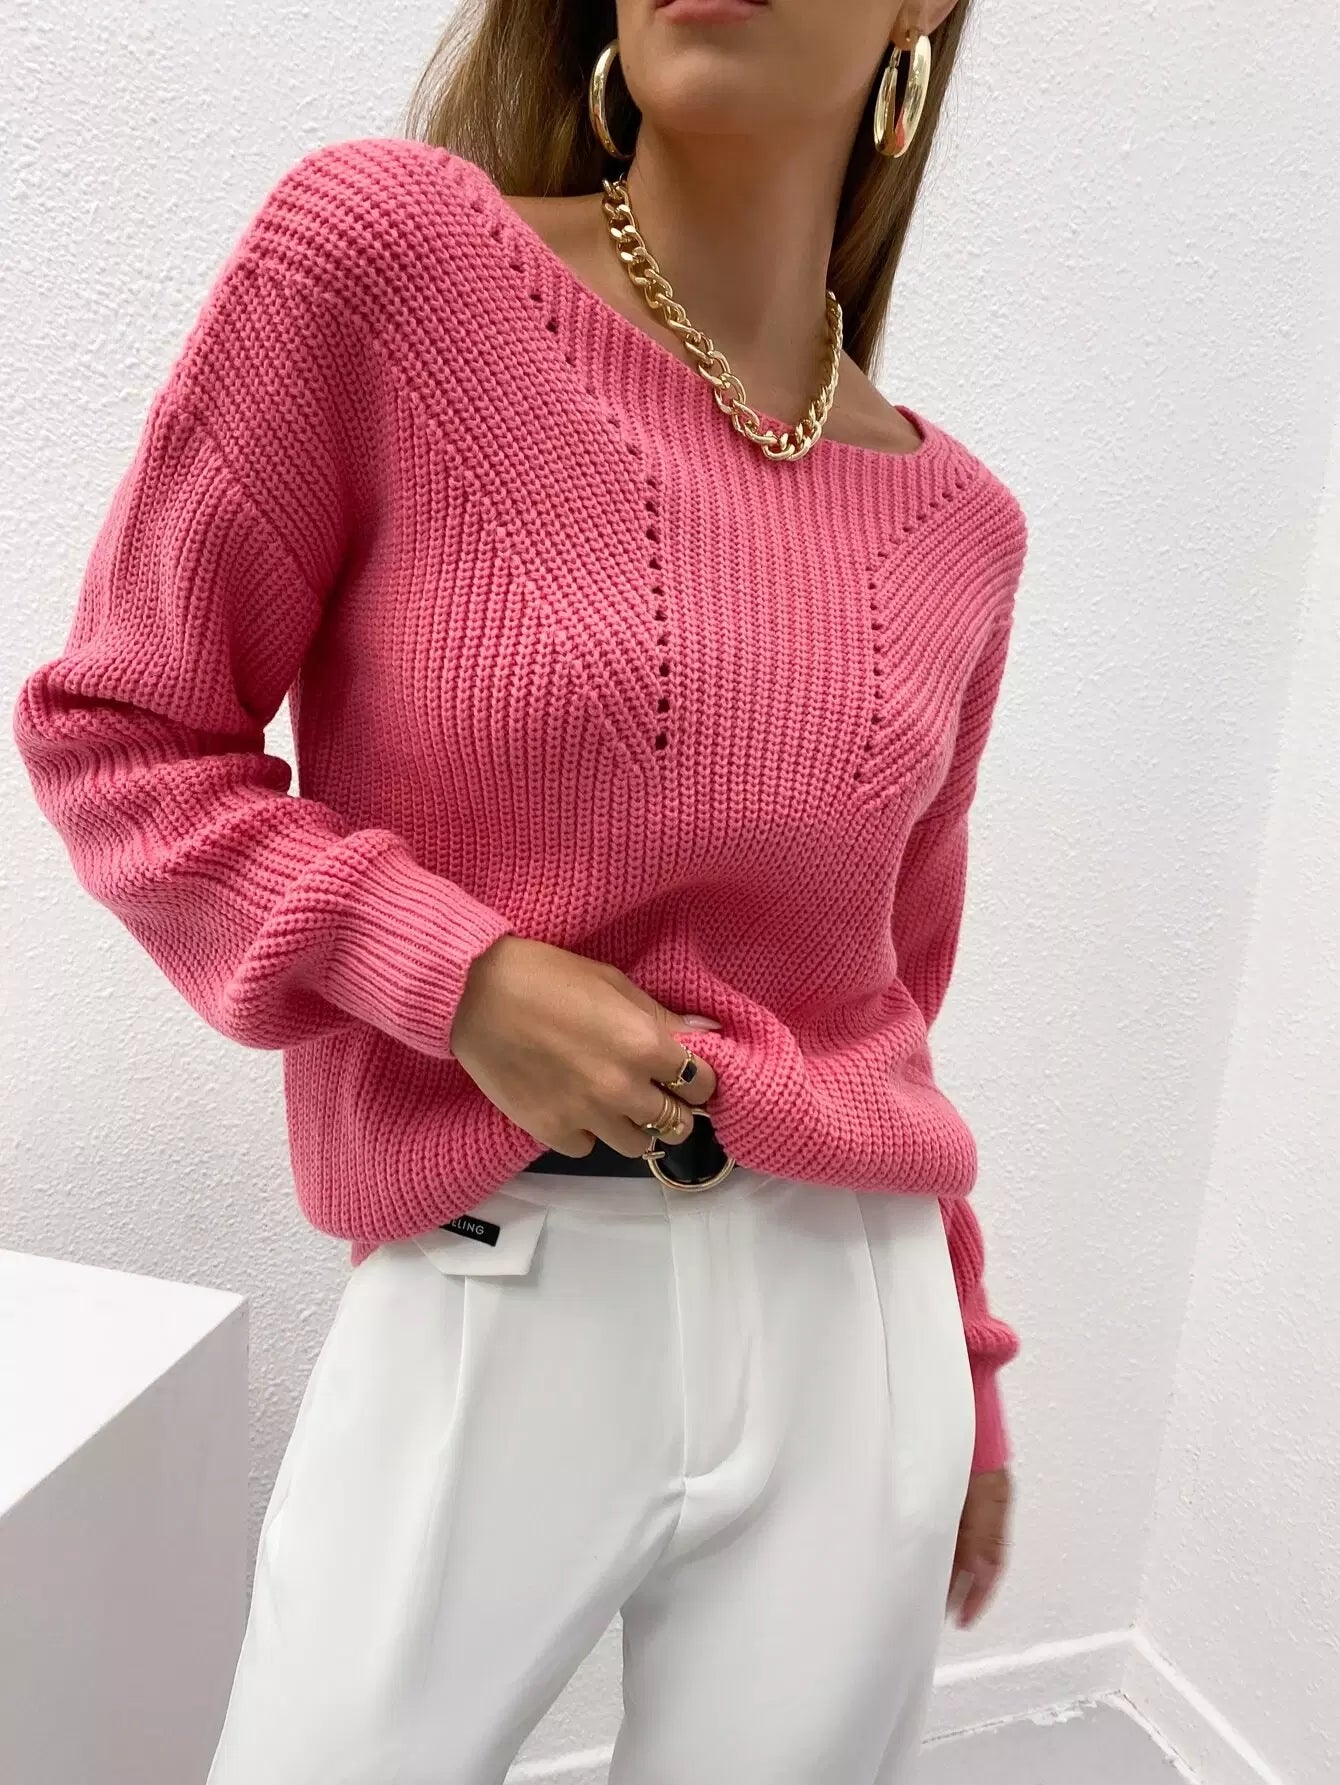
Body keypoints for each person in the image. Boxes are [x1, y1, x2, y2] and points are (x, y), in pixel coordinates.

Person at [13, 2, 1030, 1780]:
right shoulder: (389, 265)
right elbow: (119, 730)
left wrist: (970, 1360)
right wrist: (457, 972)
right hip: (499, 1273)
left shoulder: (965, 529)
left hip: (858, 1324)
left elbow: (895, 998)